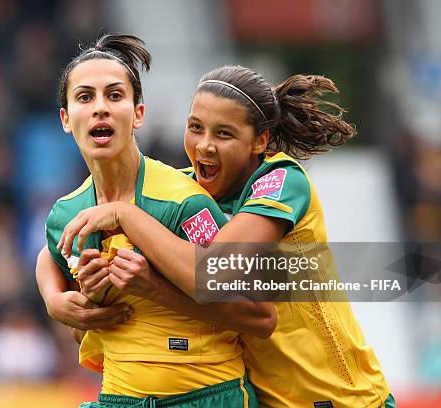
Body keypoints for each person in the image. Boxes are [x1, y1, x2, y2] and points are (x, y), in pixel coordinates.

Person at [58, 65, 397, 408]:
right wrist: (56, 300)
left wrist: (126, 214)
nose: (204, 146)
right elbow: (50, 252)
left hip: (342, 399)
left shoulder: (281, 181)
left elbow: (211, 272)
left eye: (224, 134)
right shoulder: (187, 192)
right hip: (259, 399)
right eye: (195, 128)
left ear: (259, 141)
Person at [36, 34, 269, 407]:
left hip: (206, 396)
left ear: (138, 113)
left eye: (114, 96)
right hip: (118, 399)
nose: (100, 108)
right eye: (85, 97)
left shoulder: (184, 201)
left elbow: (258, 312)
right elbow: (94, 333)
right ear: (66, 118)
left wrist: (155, 287)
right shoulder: (65, 215)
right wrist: (74, 304)